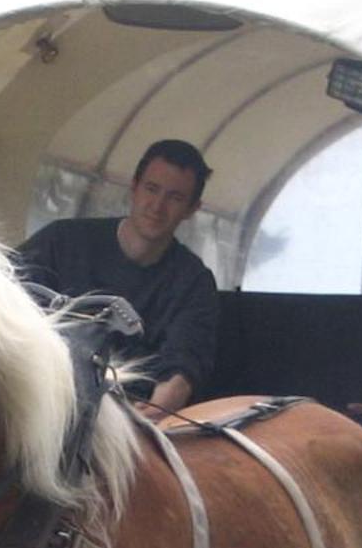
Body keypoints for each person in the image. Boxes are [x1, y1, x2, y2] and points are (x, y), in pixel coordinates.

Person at [16, 138, 220, 413]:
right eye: (151, 189)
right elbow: (3, 306)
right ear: (133, 188)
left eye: (175, 197)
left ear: (192, 209)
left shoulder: (193, 282)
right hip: (38, 402)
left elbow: (182, 370)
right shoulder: (60, 241)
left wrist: (146, 424)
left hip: (127, 421)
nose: (157, 206)